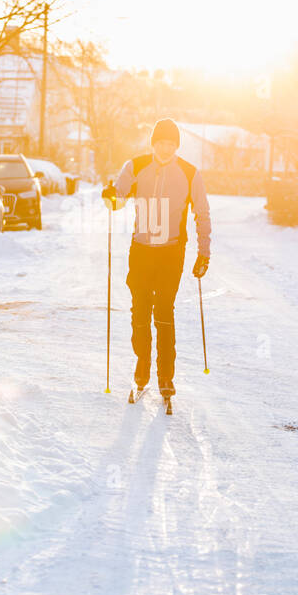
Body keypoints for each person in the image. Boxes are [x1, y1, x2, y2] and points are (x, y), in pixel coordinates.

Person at [102, 118, 211, 399]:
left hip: (171, 252)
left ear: (177, 145)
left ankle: (165, 377)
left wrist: (204, 253)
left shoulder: (189, 173)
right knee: (139, 312)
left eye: (171, 143)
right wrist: (110, 196)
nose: (166, 148)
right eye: (161, 142)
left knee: (163, 312)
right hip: (141, 250)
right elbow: (119, 200)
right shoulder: (136, 166)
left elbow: (202, 214)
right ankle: (142, 368)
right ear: (153, 143)